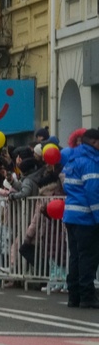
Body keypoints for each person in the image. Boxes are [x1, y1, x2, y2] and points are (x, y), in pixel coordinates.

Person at [60, 128, 99, 308]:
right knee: (87, 258)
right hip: (86, 217)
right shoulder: (90, 162)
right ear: (94, 142)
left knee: (75, 257)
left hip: (71, 215)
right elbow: (93, 192)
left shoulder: (73, 159)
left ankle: (73, 296)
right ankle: (87, 296)